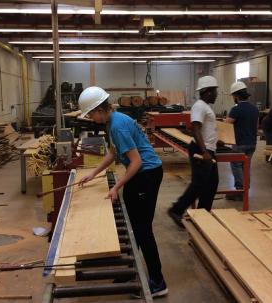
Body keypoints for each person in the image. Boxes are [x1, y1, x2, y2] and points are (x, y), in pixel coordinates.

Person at [78, 86, 168, 298]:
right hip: (142, 174)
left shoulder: (117, 125)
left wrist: (116, 187)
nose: (91, 118)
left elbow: (136, 162)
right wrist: (94, 173)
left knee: (143, 230)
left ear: (100, 109)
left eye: (91, 114)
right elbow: (114, 152)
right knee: (133, 226)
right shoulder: (114, 120)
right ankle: (130, 270)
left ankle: (158, 281)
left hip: (146, 174)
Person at [168, 76, 219, 228]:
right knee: (199, 184)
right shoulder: (200, 106)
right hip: (201, 150)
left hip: (208, 149)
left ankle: (202, 214)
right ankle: (176, 210)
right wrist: (204, 152)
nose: (217, 94)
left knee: (211, 183)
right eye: (215, 91)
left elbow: (202, 128)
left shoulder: (205, 106)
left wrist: (216, 140)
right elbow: (195, 127)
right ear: (208, 91)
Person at [225, 81, 259, 201]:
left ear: (236, 96)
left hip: (239, 143)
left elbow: (226, 125)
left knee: (236, 165)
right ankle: (245, 189)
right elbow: (256, 126)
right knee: (246, 166)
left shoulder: (236, 109)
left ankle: (239, 190)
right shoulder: (255, 109)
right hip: (252, 143)